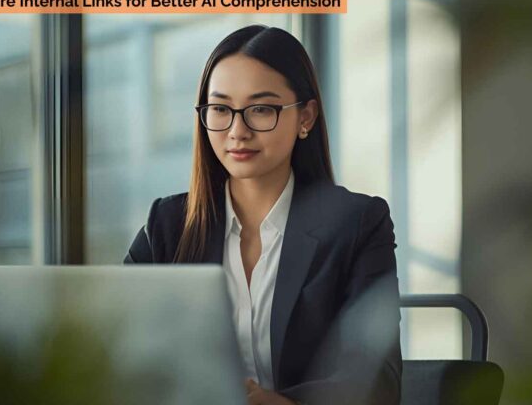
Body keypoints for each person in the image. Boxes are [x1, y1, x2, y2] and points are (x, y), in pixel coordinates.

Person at [124, 24, 402, 405]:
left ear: (306, 117)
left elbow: (376, 379)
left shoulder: (357, 224)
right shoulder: (167, 225)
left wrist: (279, 403)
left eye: (260, 109)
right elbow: (113, 349)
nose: (237, 131)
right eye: (220, 109)